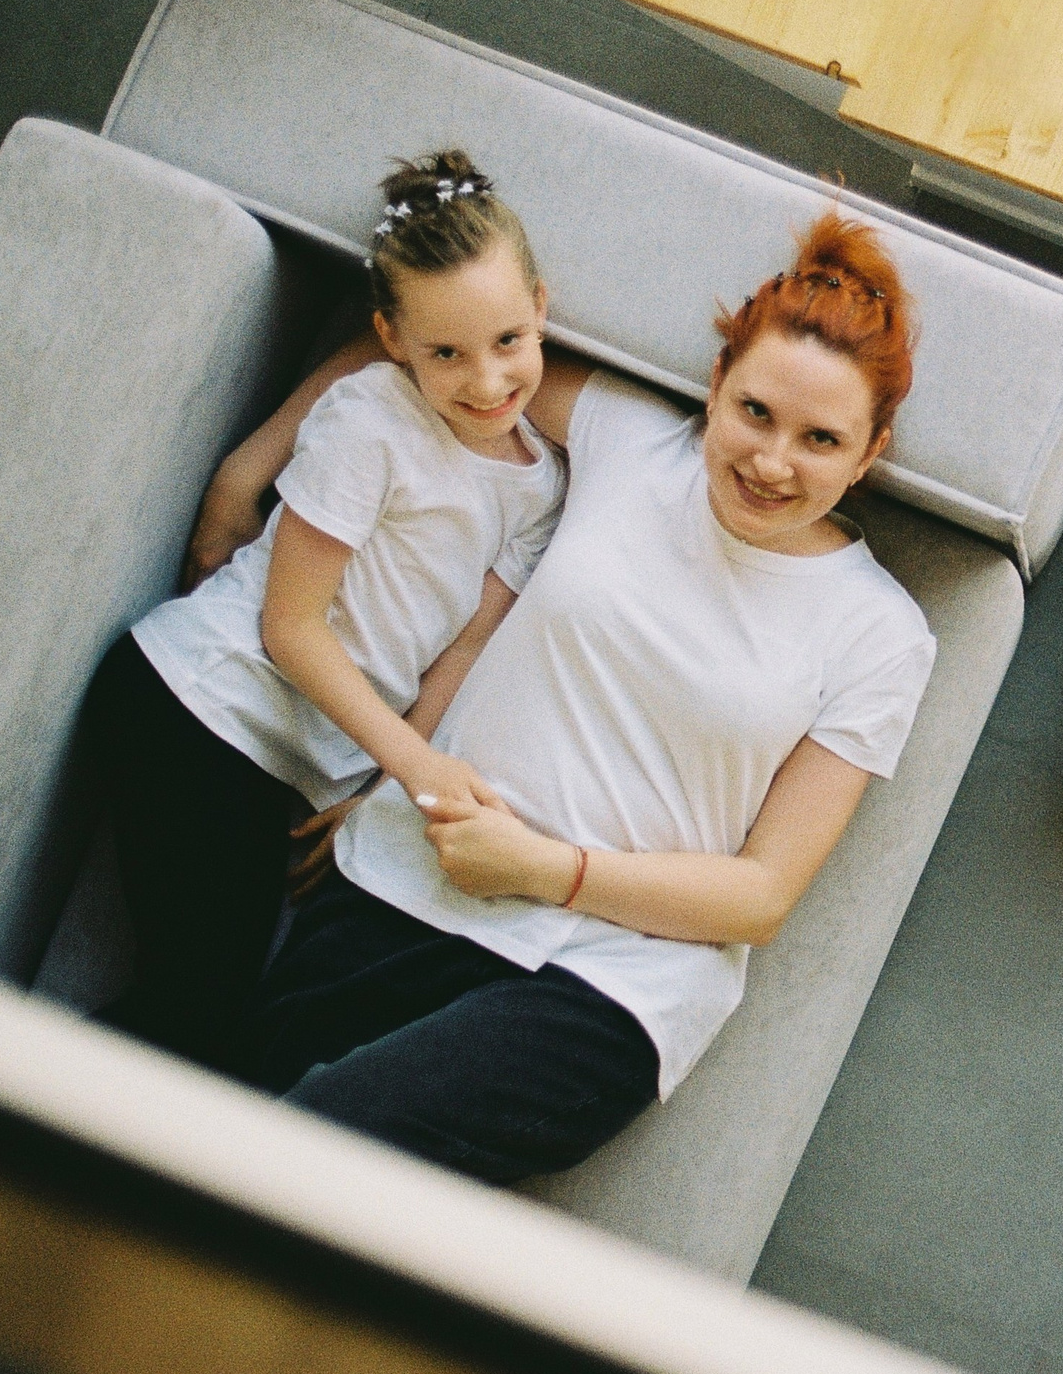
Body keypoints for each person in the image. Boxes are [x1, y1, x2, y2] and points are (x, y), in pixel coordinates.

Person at [171, 211, 937, 1180]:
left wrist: (546, 867)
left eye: (821, 438)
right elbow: (418, 360)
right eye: (754, 413)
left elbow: (761, 895)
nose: (772, 461)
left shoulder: (883, 634)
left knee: (325, 1144)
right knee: (206, 1131)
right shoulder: (627, 437)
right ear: (714, 386)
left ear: (868, 454)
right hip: (413, 882)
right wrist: (248, 468)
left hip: (611, 976)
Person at [82, 153, 565, 1073]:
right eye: (446, 354)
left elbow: (464, 647)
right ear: (392, 338)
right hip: (198, 706)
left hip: (286, 767)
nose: (487, 380)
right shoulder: (372, 418)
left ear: (543, 306)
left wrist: (384, 795)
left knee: (219, 1025)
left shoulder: (543, 486)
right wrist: (414, 765)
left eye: (508, 340)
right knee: (196, 1018)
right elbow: (289, 627)